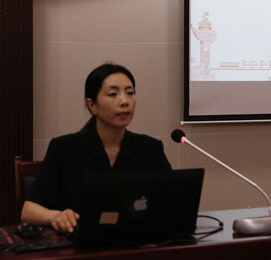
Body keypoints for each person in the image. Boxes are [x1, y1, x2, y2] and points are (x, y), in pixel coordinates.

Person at [21, 63, 172, 233]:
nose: (124, 101)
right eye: (113, 94)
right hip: (81, 244)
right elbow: (28, 211)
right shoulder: (64, 149)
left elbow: (172, 202)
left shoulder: (150, 148)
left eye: (130, 93)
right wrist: (56, 216)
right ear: (92, 105)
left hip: (137, 241)